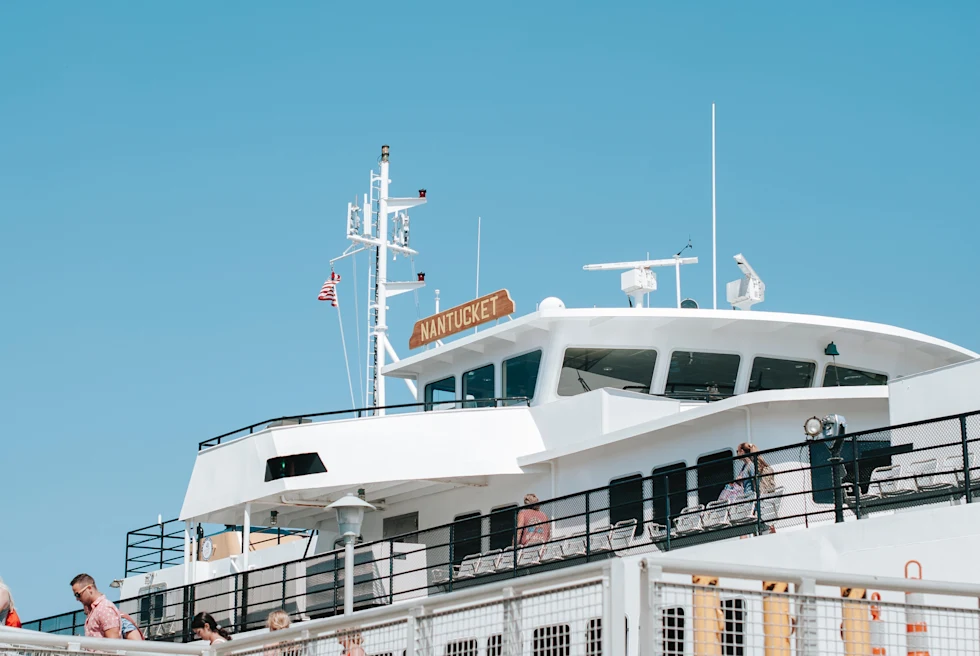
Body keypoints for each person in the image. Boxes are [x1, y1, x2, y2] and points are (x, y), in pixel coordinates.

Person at [71, 574, 121, 639]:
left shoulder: (104, 608)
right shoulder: (94, 610)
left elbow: (113, 642)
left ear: (89, 588)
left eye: (78, 595)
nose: (77, 599)